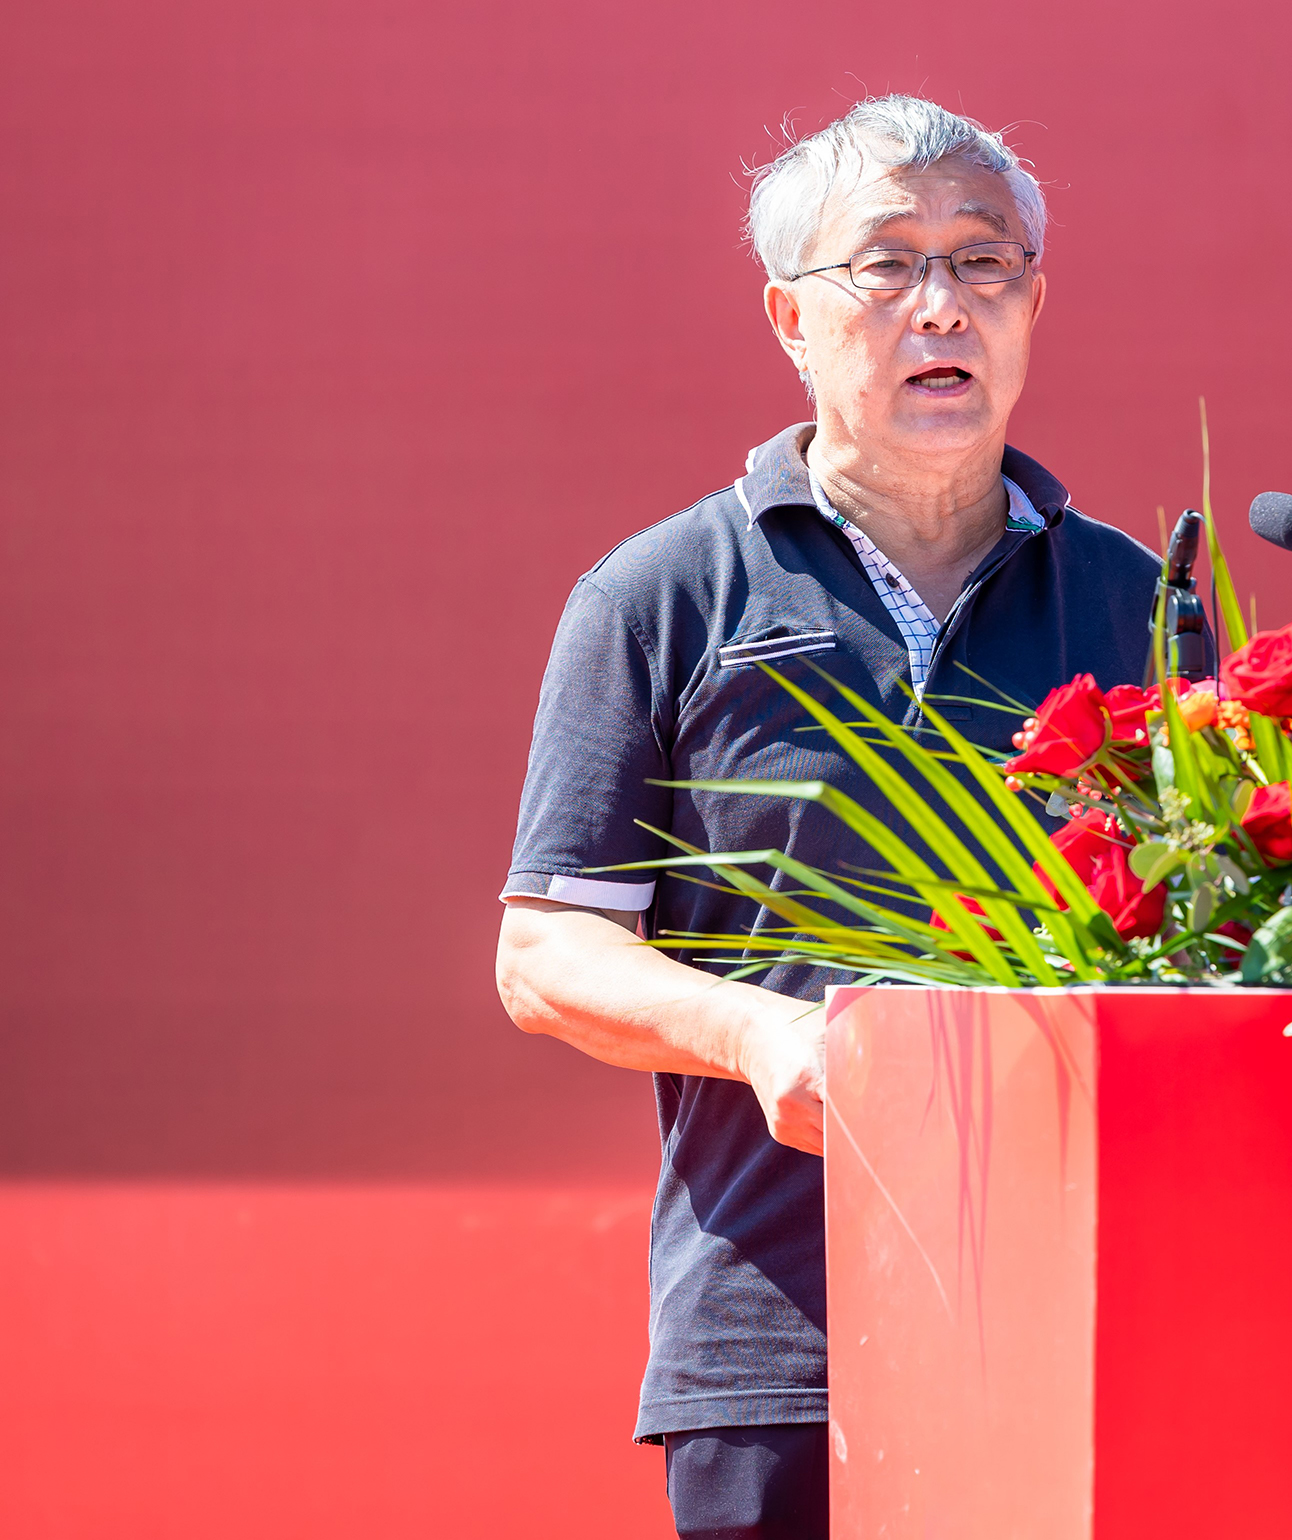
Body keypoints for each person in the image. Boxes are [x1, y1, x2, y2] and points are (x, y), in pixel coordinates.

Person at [493, 96, 1157, 1539]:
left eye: (984, 262)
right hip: (784, 1330)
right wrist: (759, 1035)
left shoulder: (1139, 605)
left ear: (1035, 304)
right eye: (889, 264)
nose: (944, 305)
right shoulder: (662, 597)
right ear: (790, 316)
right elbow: (545, 955)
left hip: (1097, 1316)